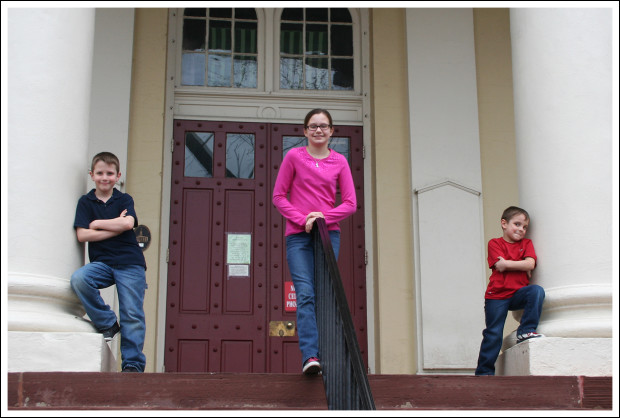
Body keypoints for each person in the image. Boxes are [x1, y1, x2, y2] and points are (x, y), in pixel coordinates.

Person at [273, 109, 357, 375]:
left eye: (324, 126)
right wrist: (302, 219)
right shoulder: (294, 157)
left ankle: (330, 356)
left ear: (332, 131)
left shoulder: (340, 161)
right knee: (306, 293)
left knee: (325, 295)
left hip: (327, 234)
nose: (318, 130)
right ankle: (311, 356)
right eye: (313, 126)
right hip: (298, 236)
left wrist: (322, 216)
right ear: (304, 131)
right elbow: (279, 196)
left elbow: (350, 203)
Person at [70, 152, 147, 373]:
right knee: (80, 279)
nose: (105, 177)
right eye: (101, 173)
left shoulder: (124, 199)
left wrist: (95, 223)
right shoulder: (85, 202)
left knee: (132, 313)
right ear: (92, 175)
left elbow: (128, 224)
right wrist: (114, 225)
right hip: (102, 263)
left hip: (130, 263)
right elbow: (82, 236)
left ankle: (132, 364)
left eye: (110, 173)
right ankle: (107, 323)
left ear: (118, 175)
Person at [475, 206, 545, 376]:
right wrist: (514, 264)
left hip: (517, 294)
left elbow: (530, 264)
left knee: (536, 291)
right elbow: (499, 265)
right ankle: (484, 373)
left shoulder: (526, 244)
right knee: (494, 333)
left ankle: (525, 331)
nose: (521, 229)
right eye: (517, 224)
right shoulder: (495, 243)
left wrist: (508, 264)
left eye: (525, 227)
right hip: (496, 296)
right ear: (504, 224)